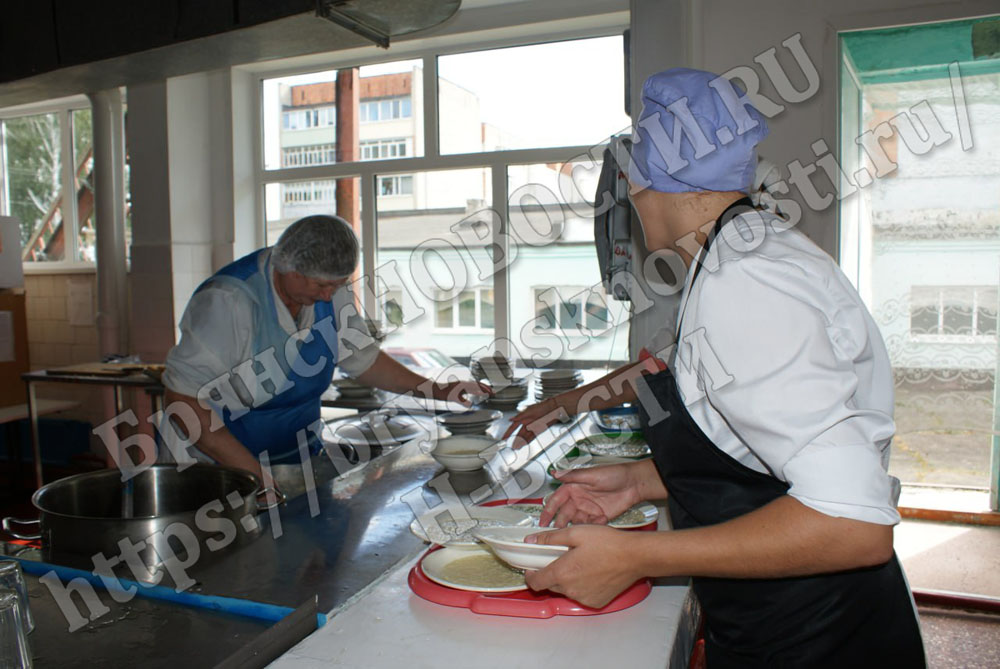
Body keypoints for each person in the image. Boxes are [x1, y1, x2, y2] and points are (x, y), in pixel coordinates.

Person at [505, 68, 925, 667]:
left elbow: (852, 525)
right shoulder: (748, 252)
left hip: (817, 639)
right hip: (792, 623)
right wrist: (644, 480)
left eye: (634, 182)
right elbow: (752, 440)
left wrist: (635, 559)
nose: (634, 200)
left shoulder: (744, 281)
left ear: (656, 184)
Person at [162, 214, 486, 487]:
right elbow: (183, 401)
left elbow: (364, 360)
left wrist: (436, 390)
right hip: (218, 469)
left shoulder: (329, 291)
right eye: (320, 286)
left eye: (339, 284)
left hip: (292, 460)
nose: (330, 296)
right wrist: (255, 477)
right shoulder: (229, 301)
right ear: (287, 267)